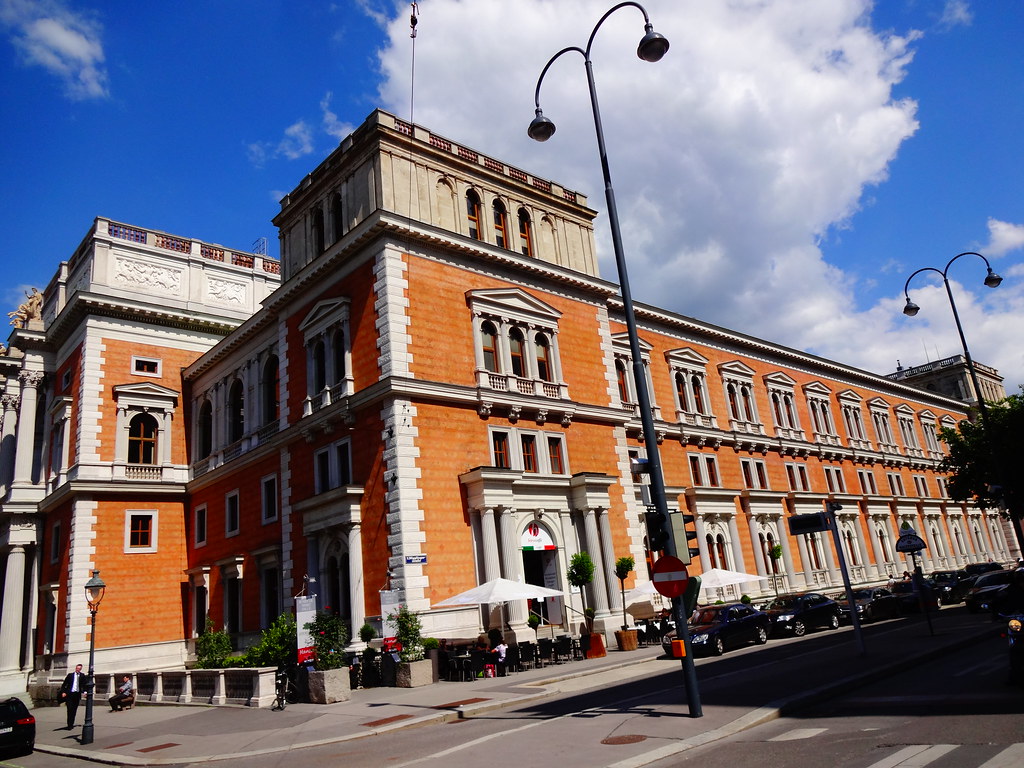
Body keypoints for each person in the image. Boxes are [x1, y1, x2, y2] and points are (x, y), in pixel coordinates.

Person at [59, 663, 86, 729]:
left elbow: (84, 685)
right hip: (70, 694)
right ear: (75, 668)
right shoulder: (70, 675)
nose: (77, 669)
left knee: (74, 710)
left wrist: (85, 692)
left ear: (81, 669)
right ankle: (69, 725)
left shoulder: (82, 676)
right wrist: (63, 692)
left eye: (79, 669)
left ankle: (72, 723)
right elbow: (64, 684)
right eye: (77, 668)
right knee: (69, 709)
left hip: (77, 695)